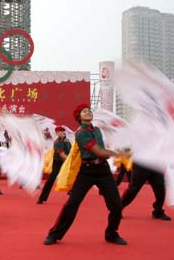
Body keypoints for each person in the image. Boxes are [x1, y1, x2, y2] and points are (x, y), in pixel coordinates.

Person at [43, 104, 127, 245]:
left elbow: (103, 149)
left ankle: (111, 234)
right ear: (79, 117)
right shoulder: (81, 133)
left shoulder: (98, 131)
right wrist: (119, 154)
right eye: (84, 111)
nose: (88, 112)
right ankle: (54, 234)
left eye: (89, 110)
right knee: (72, 204)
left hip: (103, 170)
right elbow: (99, 152)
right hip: (87, 171)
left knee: (116, 205)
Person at [37, 126, 71, 204]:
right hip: (58, 162)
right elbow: (62, 155)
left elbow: (70, 152)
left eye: (61, 131)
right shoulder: (57, 142)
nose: (59, 133)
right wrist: (70, 161)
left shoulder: (68, 141)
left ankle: (72, 192)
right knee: (51, 180)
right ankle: (42, 198)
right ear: (56, 133)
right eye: (58, 132)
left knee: (74, 176)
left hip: (67, 161)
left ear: (63, 132)